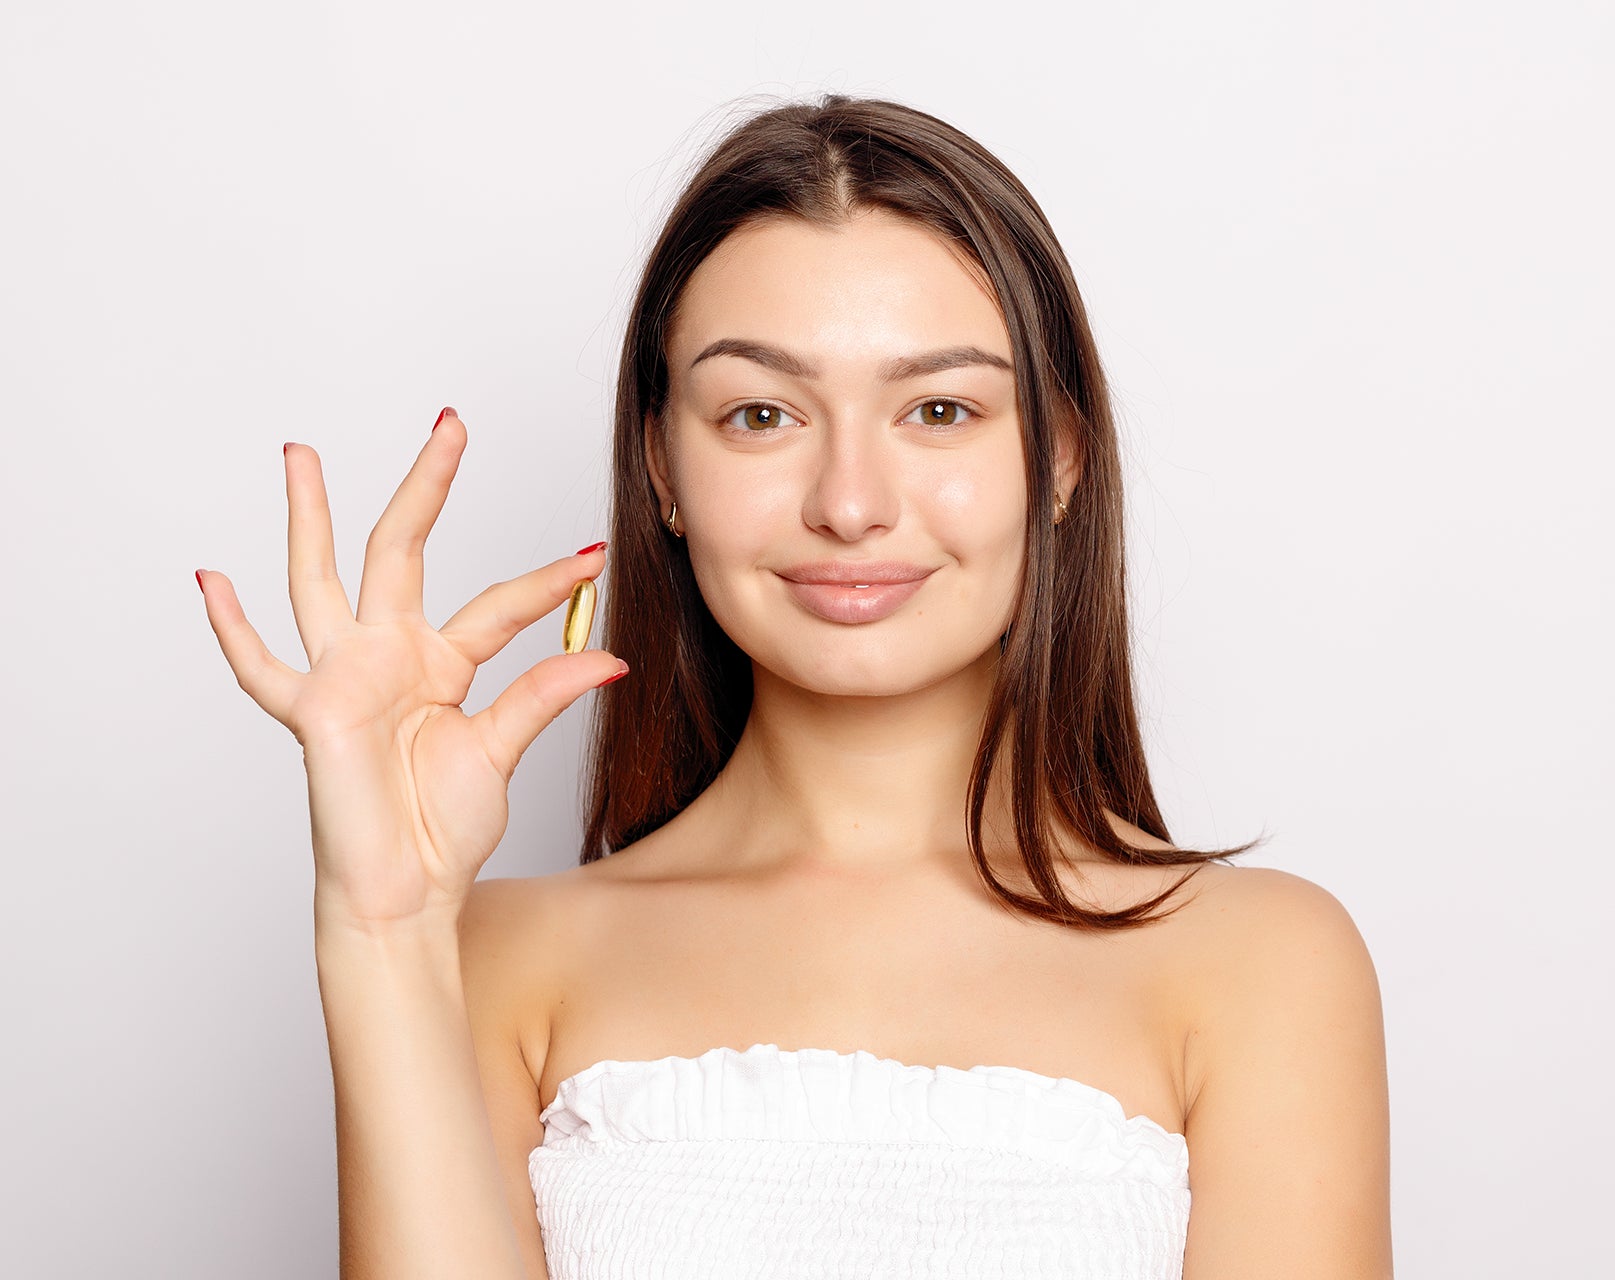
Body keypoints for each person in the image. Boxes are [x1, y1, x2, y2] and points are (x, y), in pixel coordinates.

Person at [197, 94, 1392, 1279]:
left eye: (940, 409)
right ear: (664, 465)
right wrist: (384, 927)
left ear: (1062, 459)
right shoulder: (496, 962)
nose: (851, 500)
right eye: (761, 413)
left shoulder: (1261, 965)